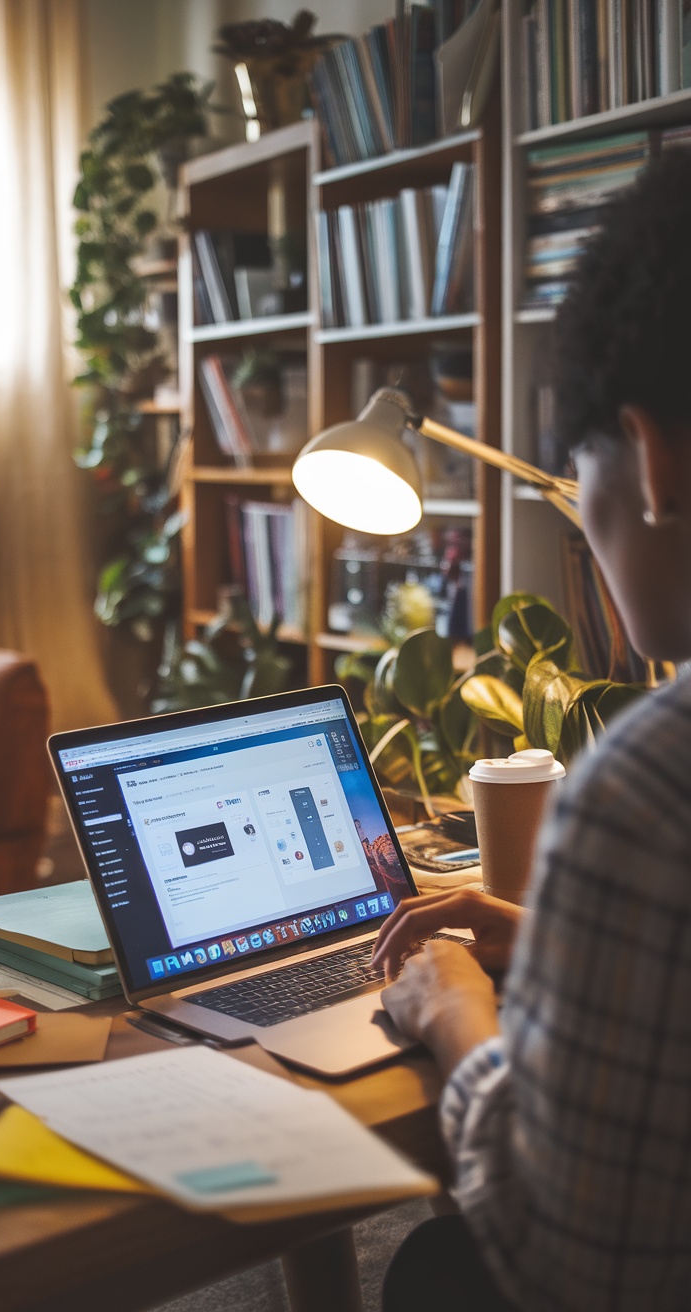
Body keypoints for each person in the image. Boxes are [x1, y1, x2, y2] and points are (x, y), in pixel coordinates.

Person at [372, 147, 691, 1312]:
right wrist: (563, 943)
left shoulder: (651, 784)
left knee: (436, 1271)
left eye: (575, 468)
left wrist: (458, 1006)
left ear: (647, 455)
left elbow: (571, 1257)